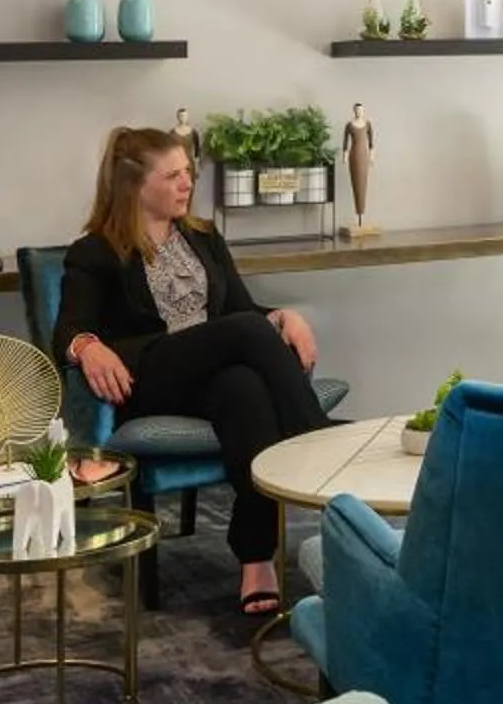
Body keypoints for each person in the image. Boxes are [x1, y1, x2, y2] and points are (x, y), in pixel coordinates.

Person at [52, 125, 329, 616]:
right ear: (135, 186)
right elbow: (67, 330)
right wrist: (88, 347)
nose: (187, 184)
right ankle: (319, 443)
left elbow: (241, 310)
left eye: (189, 173)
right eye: (174, 175)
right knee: (245, 334)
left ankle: (255, 556)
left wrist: (286, 316)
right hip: (148, 377)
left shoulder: (203, 237)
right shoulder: (95, 251)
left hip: (212, 373)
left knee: (243, 387)